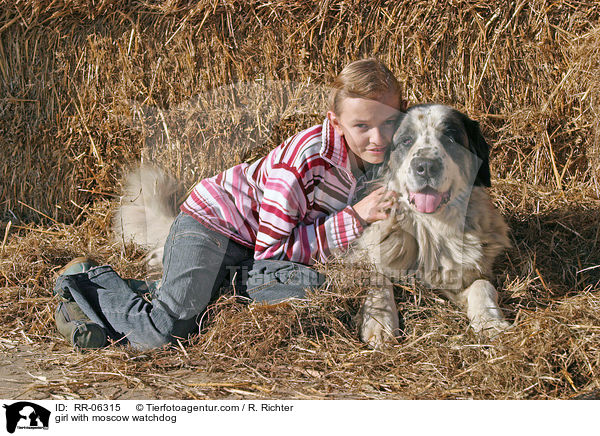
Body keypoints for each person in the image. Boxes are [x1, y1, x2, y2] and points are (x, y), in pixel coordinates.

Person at [54, 58, 406, 350]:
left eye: (389, 122)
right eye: (363, 125)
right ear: (336, 121)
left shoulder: (378, 158)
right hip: (213, 226)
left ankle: (194, 288)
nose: (379, 138)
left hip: (249, 249)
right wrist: (354, 218)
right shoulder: (303, 162)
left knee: (310, 287)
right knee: (166, 332)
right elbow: (274, 255)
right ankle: (84, 284)